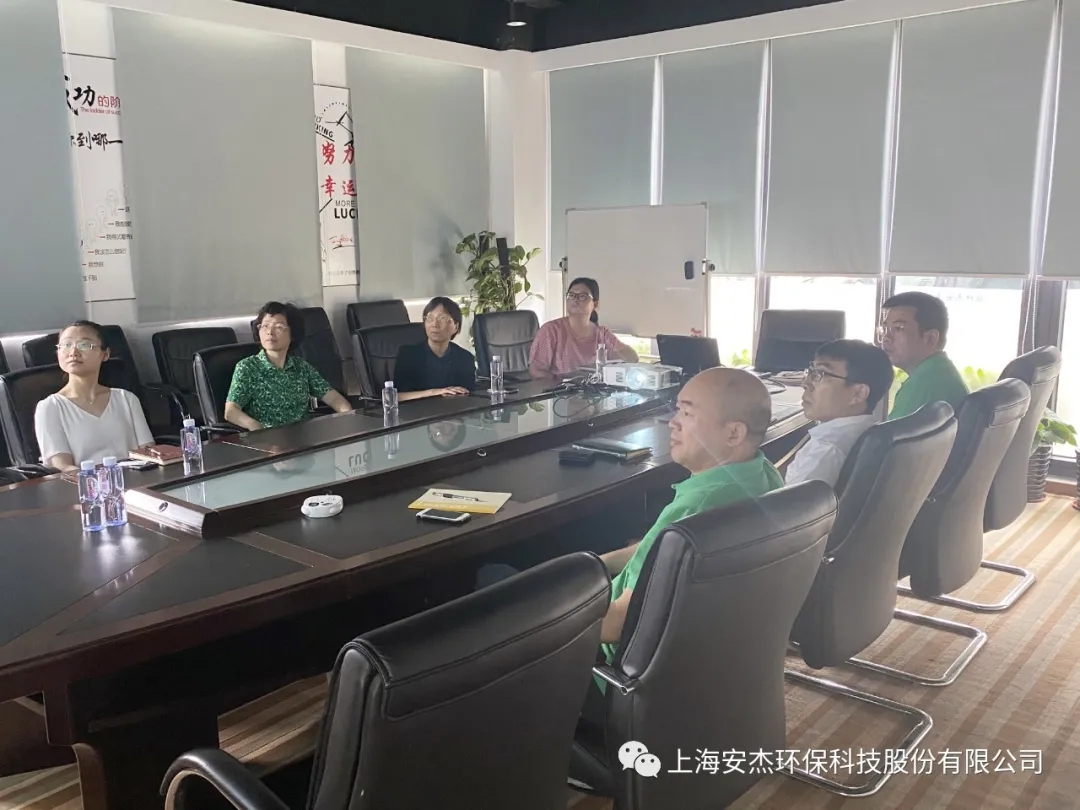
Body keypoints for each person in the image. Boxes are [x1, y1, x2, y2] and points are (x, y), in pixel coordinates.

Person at [34, 321, 153, 470]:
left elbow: (149, 453)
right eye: (66, 345)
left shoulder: (126, 399)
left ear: (105, 354)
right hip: (84, 483)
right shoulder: (50, 407)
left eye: (85, 345)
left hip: (136, 480)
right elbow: (62, 467)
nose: (73, 352)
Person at [225, 302, 353, 431]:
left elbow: (333, 398)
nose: (270, 332)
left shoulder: (301, 367)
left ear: (293, 333)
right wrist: (256, 427)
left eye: (279, 327)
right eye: (265, 326)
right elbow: (231, 411)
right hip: (268, 438)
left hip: (304, 436)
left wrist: (349, 419)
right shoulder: (247, 368)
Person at [786, 339, 894, 488]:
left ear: (858, 393)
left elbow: (793, 503)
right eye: (811, 372)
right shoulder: (869, 432)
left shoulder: (825, 452)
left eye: (820, 373)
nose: (805, 383)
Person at [878, 291, 968, 419]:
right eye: (884, 329)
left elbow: (888, 433)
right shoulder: (939, 370)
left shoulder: (925, 385)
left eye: (898, 328)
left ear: (931, 338)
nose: (886, 338)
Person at [528, 278, 638, 379]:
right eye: (571, 295)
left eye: (582, 296)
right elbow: (536, 371)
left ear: (595, 304)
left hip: (593, 390)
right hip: (560, 391)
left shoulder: (601, 333)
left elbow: (633, 357)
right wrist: (563, 382)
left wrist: (610, 357)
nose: (575, 299)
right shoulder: (550, 331)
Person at [393, 297, 476, 401]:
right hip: (416, 410)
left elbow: (469, 395)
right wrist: (435, 392)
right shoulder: (408, 355)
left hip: (453, 409)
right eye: (430, 318)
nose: (435, 324)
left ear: (456, 326)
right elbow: (397, 396)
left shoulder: (465, 358)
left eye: (443, 319)